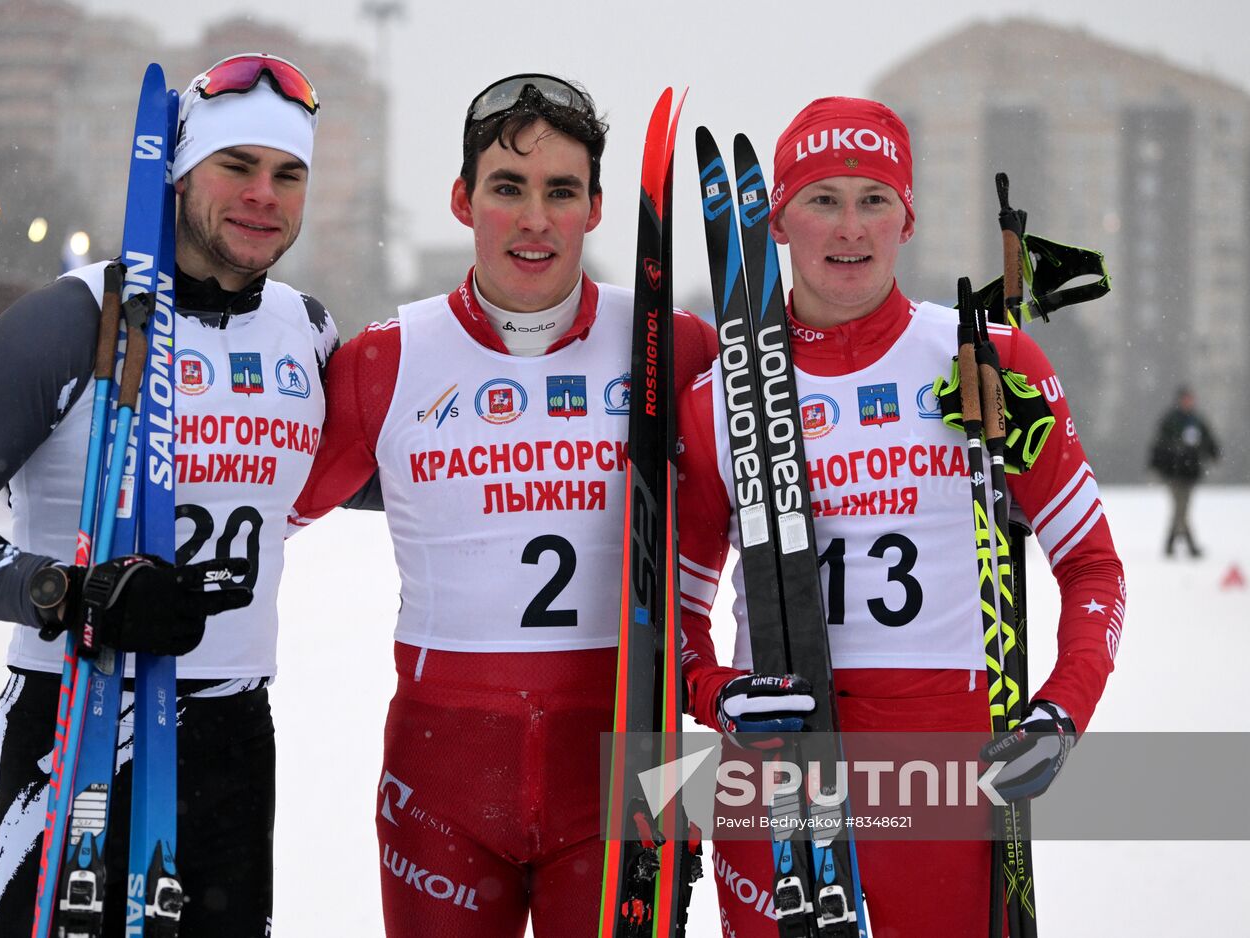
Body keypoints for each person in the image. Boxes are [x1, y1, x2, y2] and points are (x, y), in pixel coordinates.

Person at [0, 53, 338, 938]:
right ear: (175, 167)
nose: (263, 196)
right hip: (79, 717)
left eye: (288, 174)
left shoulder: (308, 332)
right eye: (235, 166)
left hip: (233, 732)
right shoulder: (70, 319)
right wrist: (70, 592)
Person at [673, 97, 1127, 937]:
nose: (850, 228)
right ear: (778, 220)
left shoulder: (986, 362)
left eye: (874, 199)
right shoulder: (719, 403)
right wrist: (717, 694)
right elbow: (672, 617)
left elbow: (1093, 566)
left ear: (906, 219)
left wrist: (1061, 714)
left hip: (948, 773)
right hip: (775, 781)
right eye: (823, 199)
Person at [288, 74, 716, 936]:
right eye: (507, 189)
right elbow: (261, 504)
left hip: (635, 762)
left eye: (562, 191)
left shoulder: (677, 346)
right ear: (462, 199)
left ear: (596, 208)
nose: (534, 219)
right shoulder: (385, 360)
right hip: (442, 775)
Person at [1149, 385, 1220, 557]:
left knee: (1181, 509)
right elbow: (1159, 444)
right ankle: (1188, 545)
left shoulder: (1196, 420)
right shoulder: (1171, 420)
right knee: (1181, 508)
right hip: (1173, 472)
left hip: (1190, 473)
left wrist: (1213, 454)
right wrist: (1160, 462)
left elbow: (1209, 440)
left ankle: (1171, 544)